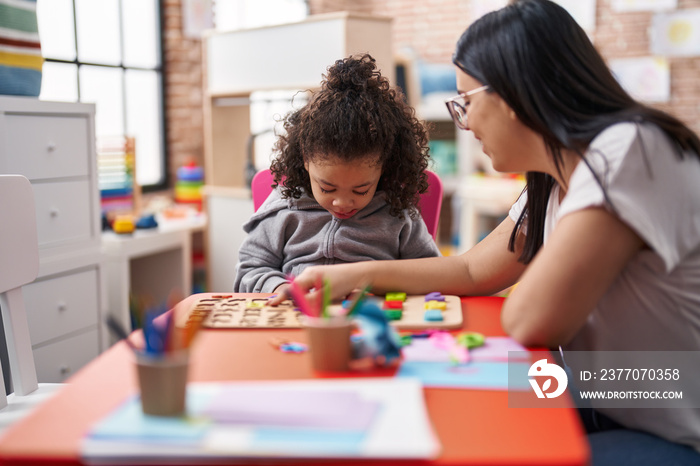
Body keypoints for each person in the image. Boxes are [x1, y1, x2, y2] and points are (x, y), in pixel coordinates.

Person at [288, 1, 700, 464]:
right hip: (600, 395)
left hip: (665, 421)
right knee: (447, 415)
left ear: (511, 95)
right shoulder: (553, 176)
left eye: (467, 101)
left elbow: (531, 320)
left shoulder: (628, 151)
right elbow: (471, 268)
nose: (464, 122)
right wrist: (350, 276)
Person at [234, 53, 441, 295]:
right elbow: (249, 271)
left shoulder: (398, 216)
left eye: (361, 189)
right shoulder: (283, 210)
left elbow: (431, 274)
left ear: (384, 168)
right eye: (327, 188)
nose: (342, 203)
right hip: (298, 322)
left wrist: (380, 290)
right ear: (306, 161)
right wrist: (279, 287)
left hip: (372, 323)